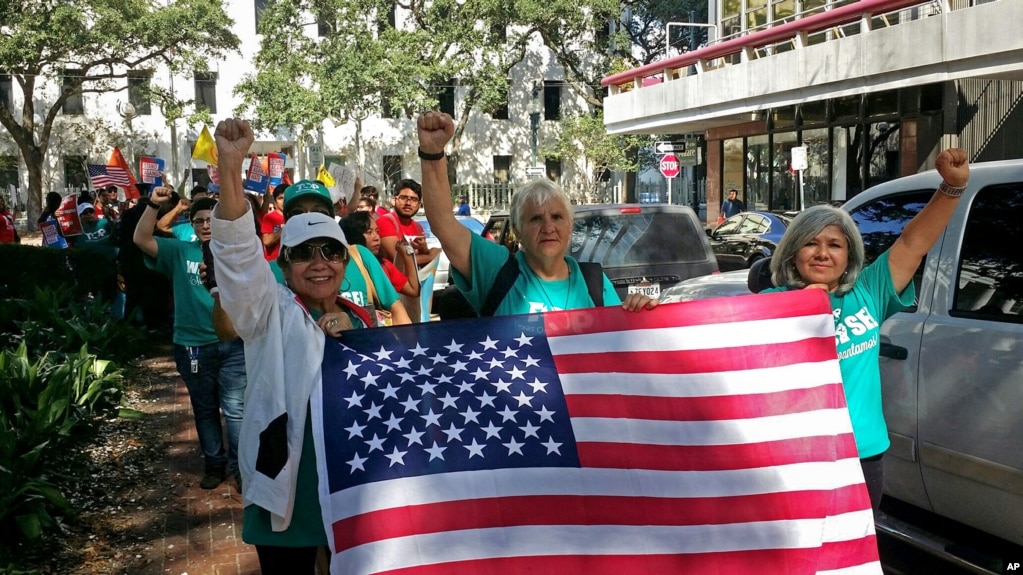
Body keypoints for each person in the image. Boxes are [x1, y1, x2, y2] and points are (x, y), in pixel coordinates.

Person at [762, 148, 970, 513]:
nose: (822, 253)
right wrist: (642, 316)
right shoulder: (769, 301)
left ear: (849, 256)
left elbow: (912, 243)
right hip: (795, 456)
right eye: (811, 242)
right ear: (793, 252)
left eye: (835, 245)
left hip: (862, 455)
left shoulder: (868, 292)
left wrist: (951, 188)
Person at [209, 117, 372, 573]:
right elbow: (239, 260)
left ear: (344, 259)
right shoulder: (269, 310)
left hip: (351, 484)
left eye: (330, 251)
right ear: (283, 265)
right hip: (288, 487)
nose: (318, 264)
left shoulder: (361, 318)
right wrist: (230, 164)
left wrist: (354, 339)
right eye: (303, 253)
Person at [417, 111, 657, 315]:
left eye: (557, 217)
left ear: (570, 225)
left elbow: (618, 345)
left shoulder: (593, 282)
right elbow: (444, 224)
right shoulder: (497, 270)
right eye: (535, 218)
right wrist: (432, 152)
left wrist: (640, 315)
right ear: (517, 231)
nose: (548, 227)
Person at [133, 191, 247, 491]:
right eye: (199, 221)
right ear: (192, 225)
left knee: (237, 410)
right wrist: (154, 204)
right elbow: (141, 239)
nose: (206, 225)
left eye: (211, 219)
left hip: (235, 342)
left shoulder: (239, 252)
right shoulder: (180, 251)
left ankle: (241, 469)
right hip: (192, 345)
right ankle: (214, 465)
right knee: (205, 408)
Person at [271, 180, 412, 325]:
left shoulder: (360, 255)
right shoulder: (266, 274)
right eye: (297, 213)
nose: (310, 218)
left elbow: (397, 310)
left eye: (319, 212)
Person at [340, 210, 420, 298]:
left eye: (377, 231)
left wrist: (407, 254)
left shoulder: (384, 265)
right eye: (369, 232)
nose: (377, 238)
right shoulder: (340, 268)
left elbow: (413, 290)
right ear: (352, 235)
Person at [376, 178, 440, 268]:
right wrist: (431, 256)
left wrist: (424, 249)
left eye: (414, 199)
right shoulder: (385, 222)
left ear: (419, 204)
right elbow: (399, 259)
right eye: (403, 198)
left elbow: (422, 264)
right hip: (390, 281)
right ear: (394, 200)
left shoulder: (418, 227)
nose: (408, 203)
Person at [260, 184, 287, 261]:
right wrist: (286, 229)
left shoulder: (296, 216)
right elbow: (266, 241)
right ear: (275, 202)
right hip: (273, 263)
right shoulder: (269, 217)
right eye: (280, 198)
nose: (283, 201)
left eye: (286, 198)